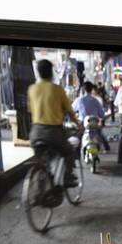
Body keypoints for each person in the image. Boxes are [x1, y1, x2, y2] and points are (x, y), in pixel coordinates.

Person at [27, 59, 81, 187]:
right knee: (68, 150)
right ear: (51, 72)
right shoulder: (57, 89)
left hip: (35, 132)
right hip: (53, 133)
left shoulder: (32, 89)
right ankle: (67, 176)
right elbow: (69, 111)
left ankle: (42, 178)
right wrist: (78, 124)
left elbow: (30, 110)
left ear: (38, 73)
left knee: (41, 158)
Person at [72, 81, 110, 151]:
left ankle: (77, 152)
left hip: (83, 123)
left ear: (83, 89)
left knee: (78, 137)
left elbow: (72, 110)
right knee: (99, 133)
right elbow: (101, 114)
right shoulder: (95, 100)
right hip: (94, 123)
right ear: (92, 89)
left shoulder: (79, 100)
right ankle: (107, 148)